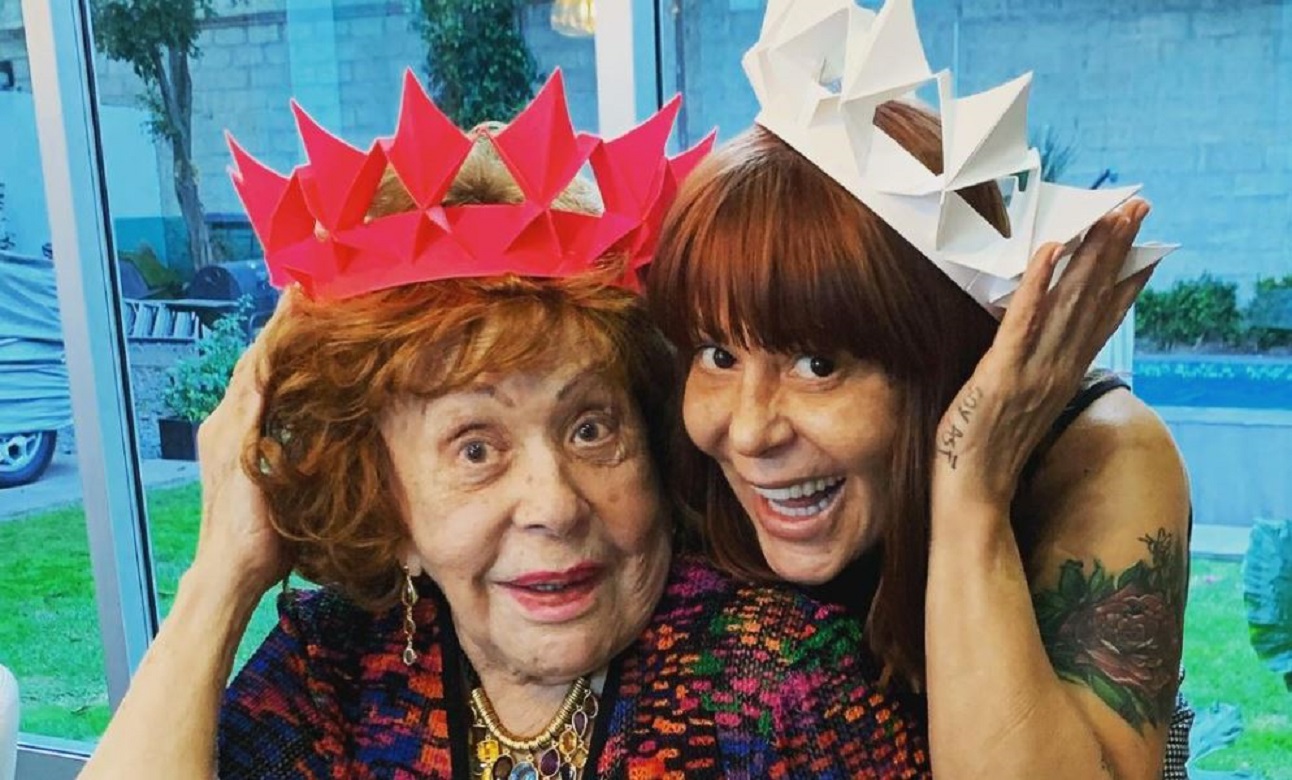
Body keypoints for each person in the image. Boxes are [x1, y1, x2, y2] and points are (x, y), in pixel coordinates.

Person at [79, 74, 936, 779]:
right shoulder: (332, 666)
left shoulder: (780, 680)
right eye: (477, 448)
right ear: (385, 498)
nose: (554, 506)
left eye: (591, 430)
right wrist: (218, 584)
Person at [647, 95, 1192, 779]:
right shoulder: (673, 469)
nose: (751, 432)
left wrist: (971, 489)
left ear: (947, 359)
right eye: (718, 355)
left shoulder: (1103, 451)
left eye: (818, 365)